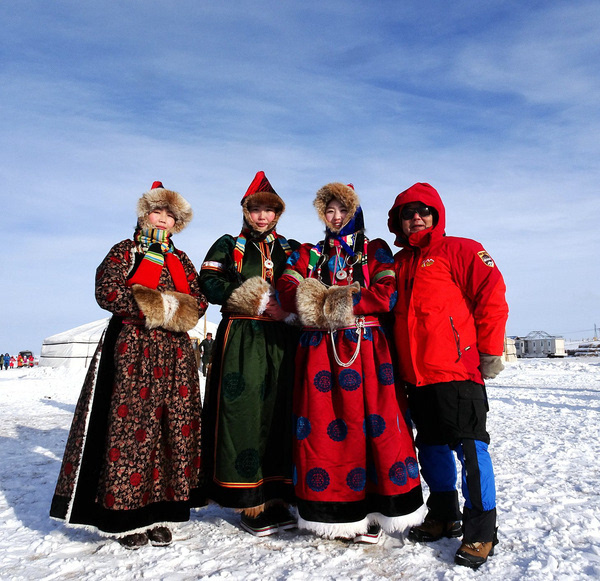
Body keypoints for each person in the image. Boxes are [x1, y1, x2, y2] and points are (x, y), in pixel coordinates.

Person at [50, 181, 207, 549]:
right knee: (130, 430)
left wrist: (174, 310)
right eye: (158, 211)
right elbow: (107, 290)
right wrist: (162, 307)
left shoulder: (181, 258)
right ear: (144, 214)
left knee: (172, 430)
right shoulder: (125, 251)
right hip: (132, 351)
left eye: (171, 215)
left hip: (175, 356)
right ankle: (123, 518)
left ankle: (161, 512)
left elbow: (198, 299)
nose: (163, 219)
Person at [276, 182, 424, 543]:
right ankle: (332, 513)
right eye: (330, 211)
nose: (336, 217)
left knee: (373, 426)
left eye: (343, 210)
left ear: (356, 212)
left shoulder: (375, 250)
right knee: (325, 428)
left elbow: (386, 295)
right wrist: (336, 300)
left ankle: (377, 513)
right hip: (320, 351)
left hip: (367, 349)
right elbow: (286, 288)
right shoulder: (309, 253)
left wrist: (326, 302)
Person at [387, 182, 508, 569]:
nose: (416, 217)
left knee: (470, 450)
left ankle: (481, 531)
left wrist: (489, 350)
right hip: (416, 377)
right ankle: (444, 514)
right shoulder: (398, 263)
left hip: (457, 371)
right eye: (408, 212)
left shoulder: (461, 249)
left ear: (436, 215)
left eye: (424, 210)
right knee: (431, 448)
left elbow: (492, 295)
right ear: (399, 221)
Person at [199, 171, 300, 537]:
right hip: (241, 334)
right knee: (242, 412)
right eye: (255, 209)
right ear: (246, 211)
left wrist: (288, 307)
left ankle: (277, 496)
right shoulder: (228, 244)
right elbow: (208, 281)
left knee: (279, 410)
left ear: (277, 215)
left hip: (282, 337)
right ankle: (248, 500)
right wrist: (253, 297)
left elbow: (304, 280)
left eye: (269, 211)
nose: (262, 216)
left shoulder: (290, 248)